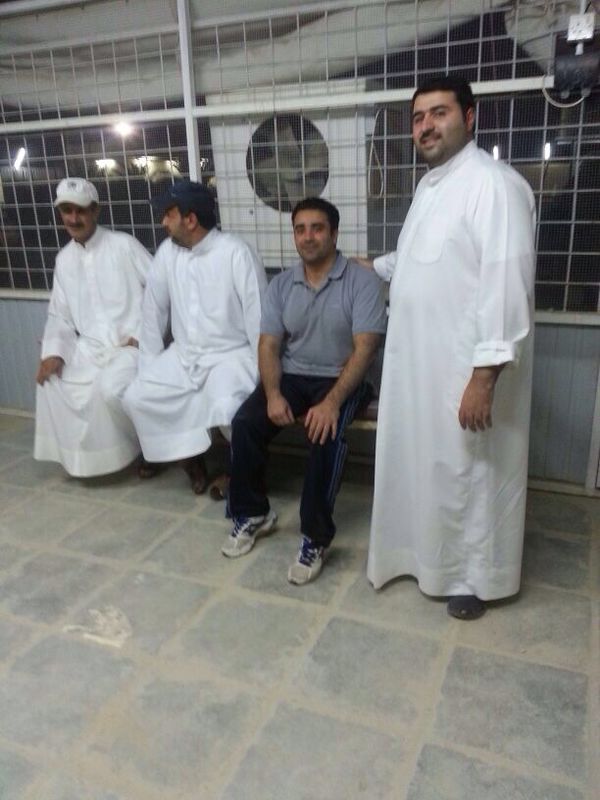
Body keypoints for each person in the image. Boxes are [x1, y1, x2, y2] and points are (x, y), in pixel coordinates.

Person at [366, 76, 536, 619]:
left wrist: (484, 377)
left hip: (466, 369)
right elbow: (421, 257)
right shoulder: (430, 186)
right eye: (418, 118)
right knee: (434, 469)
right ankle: (429, 560)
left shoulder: (494, 185)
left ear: (470, 116)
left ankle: (475, 579)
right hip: (421, 363)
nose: (426, 126)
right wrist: (372, 266)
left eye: (439, 113)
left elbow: (507, 284)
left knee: (472, 473)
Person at [222, 198, 387, 585]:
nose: (308, 237)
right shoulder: (282, 284)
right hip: (294, 375)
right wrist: (273, 394)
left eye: (317, 228)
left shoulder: (362, 282)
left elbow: (365, 348)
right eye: (300, 229)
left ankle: (315, 537)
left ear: (334, 234)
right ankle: (253, 513)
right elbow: (268, 345)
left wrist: (331, 403)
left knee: (324, 433)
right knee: (246, 422)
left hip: (343, 379)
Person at [122, 180, 267, 492]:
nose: (163, 222)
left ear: (190, 219)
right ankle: (189, 459)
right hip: (184, 355)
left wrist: (263, 376)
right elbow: (153, 315)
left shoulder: (236, 253)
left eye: (169, 214)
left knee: (229, 407)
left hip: (231, 356)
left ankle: (240, 475)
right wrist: (150, 368)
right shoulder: (166, 253)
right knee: (137, 396)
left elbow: (259, 321)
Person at [34, 177, 151, 477]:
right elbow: (59, 315)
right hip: (89, 348)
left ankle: (148, 447)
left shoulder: (123, 245)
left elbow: (161, 292)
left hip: (130, 346)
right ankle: (82, 460)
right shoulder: (64, 260)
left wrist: (142, 335)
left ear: (95, 210)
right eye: (67, 211)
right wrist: (54, 353)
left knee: (110, 389)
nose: (74, 219)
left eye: (81, 211)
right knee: (50, 380)